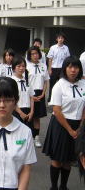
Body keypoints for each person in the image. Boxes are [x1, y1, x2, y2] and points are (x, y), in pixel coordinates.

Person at [43, 56, 85, 190]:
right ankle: (54, 186)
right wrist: (70, 130)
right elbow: (56, 110)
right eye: (70, 67)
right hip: (61, 125)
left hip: (78, 125)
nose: (73, 70)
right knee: (57, 159)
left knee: (68, 159)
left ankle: (63, 186)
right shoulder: (59, 85)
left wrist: (80, 127)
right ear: (65, 68)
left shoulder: (83, 84)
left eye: (76, 67)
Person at [26, 46, 50, 148]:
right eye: (32, 54)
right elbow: (25, 82)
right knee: (28, 116)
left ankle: (36, 137)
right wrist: (30, 95)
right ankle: (28, 137)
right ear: (29, 56)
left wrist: (43, 93)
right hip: (29, 93)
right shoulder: (26, 66)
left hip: (40, 93)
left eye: (36, 53)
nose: (35, 56)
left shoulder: (43, 66)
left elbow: (46, 81)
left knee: (37, 117)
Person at [11, 56, 35, 132]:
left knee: (27, 133)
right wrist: (20, 113)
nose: (21, 68)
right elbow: (11, 100)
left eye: (23, 66)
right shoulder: (11, 81)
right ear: (14, 67)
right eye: (18, 66)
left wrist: (31, 112)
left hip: (28, 112)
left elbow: (31, 97)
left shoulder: (27, 81)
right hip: (16, 111)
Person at [47, 32, 70, 101]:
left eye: (62, 38)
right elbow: (50, 59)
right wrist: (49, 69)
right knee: (52, 85)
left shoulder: (66, 48)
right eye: (59, 38)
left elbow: (67, 59)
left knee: (62, 85)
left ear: (64, 39)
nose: (60, 39)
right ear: (57, 39)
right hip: (54, 69)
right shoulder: (53, 47)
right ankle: (50, 99)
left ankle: (61, 99)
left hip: (62, 69)